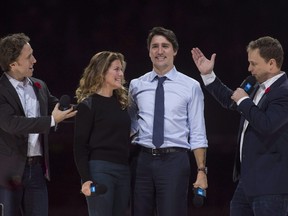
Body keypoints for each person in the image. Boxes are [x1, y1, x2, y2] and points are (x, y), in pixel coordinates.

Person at [191, 36, 288, 215]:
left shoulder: (284, 92)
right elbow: (232, 100)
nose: (249, 69)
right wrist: (208, 75)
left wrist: (244, 100)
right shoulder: (255, 85)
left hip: (271, 187)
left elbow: (267, 124)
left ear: (271, 64)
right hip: (247, 183)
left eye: (253, 63)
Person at [128, 26, 208, 216]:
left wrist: (202, 171)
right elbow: (129, 124)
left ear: (175, 50)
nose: (160, 51)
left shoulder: (191, 86)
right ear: (149, 52)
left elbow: (198, 132)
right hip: (141, 160)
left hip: (175, 161)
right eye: (154, 46)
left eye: (165, 46)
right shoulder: (136, 85)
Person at [0, 33, 77, 216]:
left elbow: (60, 109)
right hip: (8, 176)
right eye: (28, 57)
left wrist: (91, 109)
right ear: (13, 64)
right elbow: (12, 124)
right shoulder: (1, 90)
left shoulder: (39, 86)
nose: (34, 60)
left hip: (36, 171)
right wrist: (51, 121)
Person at [73, 51, 131, 216]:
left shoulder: (122, 103)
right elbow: (80, 146)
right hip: (100, 170)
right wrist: (86, 179)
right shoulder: (88, 105)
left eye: (121, 69)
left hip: (123, 170)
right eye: (116, 69)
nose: (121, 74)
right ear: (102, 71)